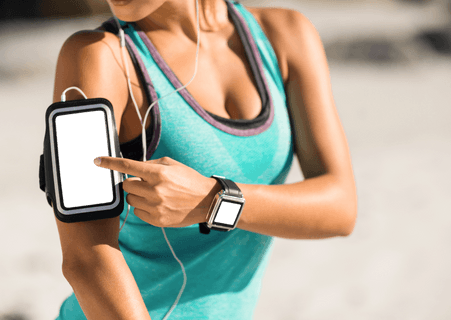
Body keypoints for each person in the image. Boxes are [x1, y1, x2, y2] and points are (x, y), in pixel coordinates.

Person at [52, 0, 357, 319]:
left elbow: (341, 206)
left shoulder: (284, 37)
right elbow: (85, 259)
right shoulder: (93, 57)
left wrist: (215, 201)